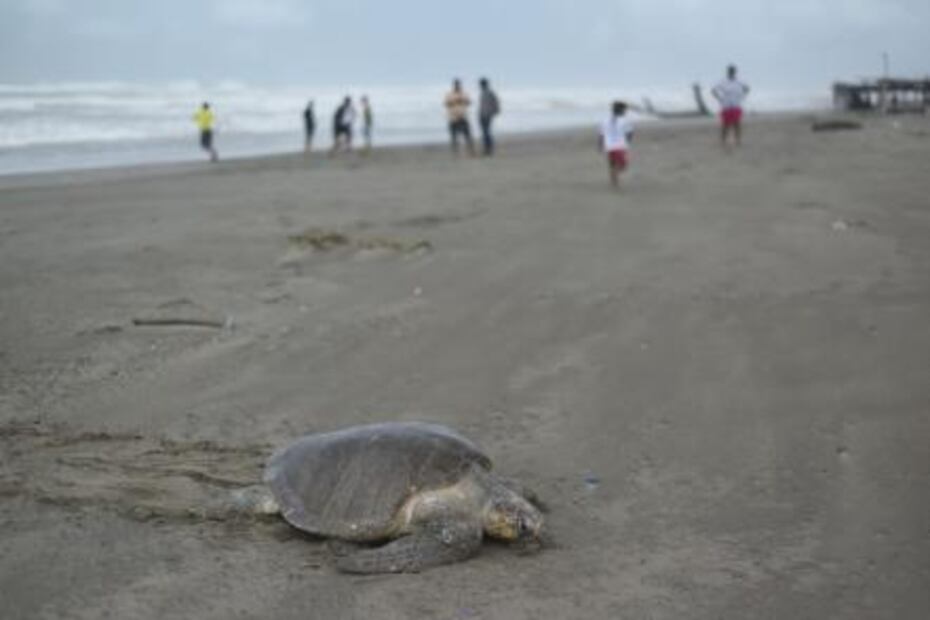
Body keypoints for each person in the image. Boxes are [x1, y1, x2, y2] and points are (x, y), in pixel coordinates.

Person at [712, 65, 750, 148]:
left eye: (733, 71)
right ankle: (723, 141)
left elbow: (747, 88)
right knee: (725, 125)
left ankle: (738, 141)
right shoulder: (723, 81)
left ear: (735, 72)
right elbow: (713, 90)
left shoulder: (739, 81)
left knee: (737, 124)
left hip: (736, 105)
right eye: (730, 71)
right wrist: (720, 99)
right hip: (726, 106)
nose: (731, 72)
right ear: (727, 72)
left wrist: (742, 96)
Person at [599, 100, 634, 189]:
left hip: (609, 145)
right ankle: (614, 180)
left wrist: (600, 145)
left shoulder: (605, 120)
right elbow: (629, 134)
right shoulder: (625, 121)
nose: (626, 112)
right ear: (622, 110)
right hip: (620, 145)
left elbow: (601, 134)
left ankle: (614, 183)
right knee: (623, 165)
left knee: (612, 164)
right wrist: (628, 142)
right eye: (625, 110)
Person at [444, 79, 476, 156]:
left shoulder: (464, 93)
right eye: (456, 85)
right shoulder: (449, 94)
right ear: (454, 85)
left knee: (468, 136)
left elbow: (469, 102)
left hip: (463, 117)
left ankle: (471, 151)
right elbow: (446, 104)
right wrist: (455, 101)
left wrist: (462, 100)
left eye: (458, 84)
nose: (457, 86)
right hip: (453, 118)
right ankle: (455, 152)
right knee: (454, 137)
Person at [478, 78, 501, 156]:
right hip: (482, 115)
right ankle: (487, 149)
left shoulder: (490, 92)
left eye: (481, 84)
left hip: (487, 115)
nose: (480, 86)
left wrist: (495, 111)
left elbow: (496, 102)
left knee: (486, 133)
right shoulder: (483, 93)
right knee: (485, 133)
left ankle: (489, 150)